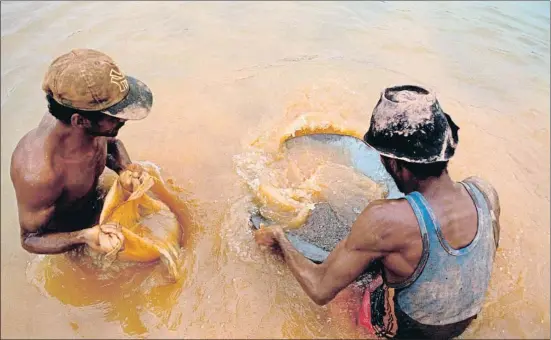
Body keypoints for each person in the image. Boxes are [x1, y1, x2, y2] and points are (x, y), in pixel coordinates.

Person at [254, 85, 501, 339]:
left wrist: (280, 242)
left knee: (345, 292)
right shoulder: (484, 192)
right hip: (464, 323)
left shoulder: (384, 220)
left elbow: (319, 288)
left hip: (413, 333)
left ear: (395, 164)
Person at [10, 48, 154, 255]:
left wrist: (124, 168)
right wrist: (83, 237)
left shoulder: (83, 116)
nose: (124, 119)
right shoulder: (40, 174)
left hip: (95, 201)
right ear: (80, 121)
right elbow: (30, 239)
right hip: (70, 235)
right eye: (115, 116)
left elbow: (112, 143)